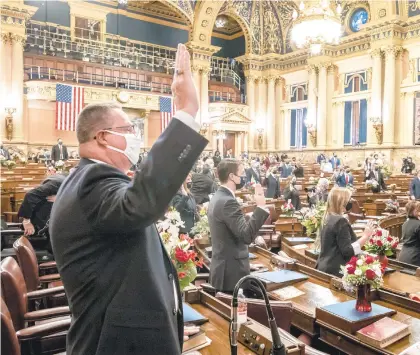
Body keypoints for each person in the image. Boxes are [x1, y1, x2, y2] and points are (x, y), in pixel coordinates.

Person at [49, 44, 208, 355]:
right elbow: (140, 204)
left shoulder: (87, 180)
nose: (137, 135)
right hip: (115, 343)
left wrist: (168, 328)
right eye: (130, 129)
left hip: (131, 335)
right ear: (103, 137)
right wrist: (186, 112)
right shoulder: (92, 181)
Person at [208, 159, 269, 294]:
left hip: (225, 268)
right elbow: (246, 236)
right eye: (241, 173)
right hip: (231, 275)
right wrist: (261, 207)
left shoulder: (218, 197)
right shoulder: (227, 201)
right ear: (232, 176)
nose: (244, 177)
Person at [316, 187, 375, 277]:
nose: (350, 203)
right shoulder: (340, 221)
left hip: (324, 266)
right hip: (336, 270)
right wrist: (365, 236)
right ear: (342, 202)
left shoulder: (328, 217)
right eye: (349, 200)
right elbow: (348, 251)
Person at [18, 174, 66, 251]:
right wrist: (27, 221)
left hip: (49, 216)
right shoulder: (57, 184)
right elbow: (30, 194)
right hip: (38, 219)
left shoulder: (67, 181)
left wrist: (60, 198)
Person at [398, 201, 420, 266]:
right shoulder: (418, 224)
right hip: (415, 259)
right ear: (414, 211)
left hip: (403, 256)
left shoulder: (405, 224)